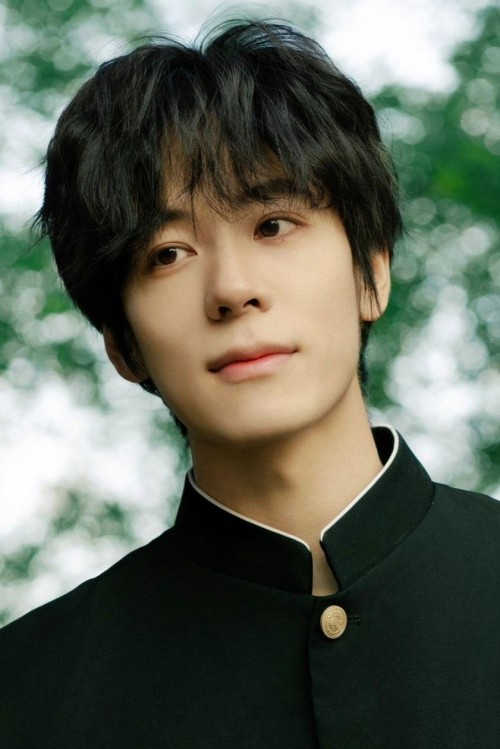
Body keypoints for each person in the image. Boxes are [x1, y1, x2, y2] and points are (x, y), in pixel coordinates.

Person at [1, 18, 499, 749]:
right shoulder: (26, 697)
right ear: (122, 345)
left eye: (272, 225)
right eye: (168, 254)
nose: (232, 289)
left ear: (371, 273)